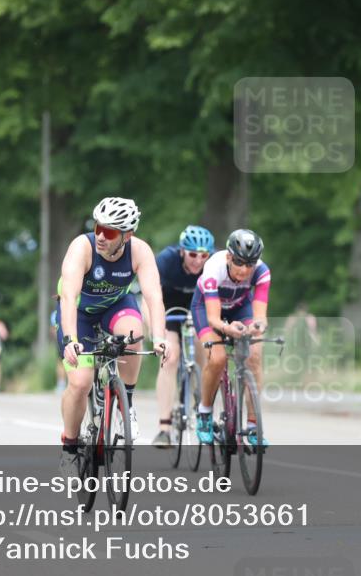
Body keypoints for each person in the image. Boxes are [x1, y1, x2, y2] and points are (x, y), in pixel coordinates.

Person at [57, 197, 168, 476]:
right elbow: (68, 297)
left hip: (115, 306)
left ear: (127, 235)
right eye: (97, 228)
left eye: (109, 232)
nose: (100, 236)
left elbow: (154, 296)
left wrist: (161, 336)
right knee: (81, 383)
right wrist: (71, 339)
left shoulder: (139, 251)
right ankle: (70, 448)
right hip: (79, 314)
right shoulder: (82, 248)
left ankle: (126, 401)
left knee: (134, 334)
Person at [193, 229, 271, 448]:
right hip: (207, 310)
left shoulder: (262, 272)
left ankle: (254, 426)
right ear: (228, 257)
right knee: (217, 358)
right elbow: (214, 320)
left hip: (239, 308)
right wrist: (228, 329)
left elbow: (260, 317)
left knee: (254, 355)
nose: (245, 269)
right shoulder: (213, 268)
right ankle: (205, 413)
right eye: (239, 262)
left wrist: (257, 327)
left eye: (250, 264)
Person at [151, 225, 214, 448]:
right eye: (193, 255)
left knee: (205, 348)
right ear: (182, 251)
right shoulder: (166, 261)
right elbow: (152, 297)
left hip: (198, 307)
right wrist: (157, 332)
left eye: (204, 256)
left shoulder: (213, 265)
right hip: (168, 308)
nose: (198, 260)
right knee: (171, 357)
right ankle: (164, 427)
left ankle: (200, 397)